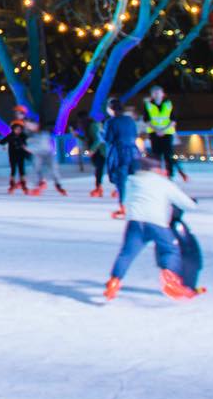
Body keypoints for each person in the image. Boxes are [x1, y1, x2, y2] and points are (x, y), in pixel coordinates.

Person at [103, 159, 198, 302]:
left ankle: (114, 282)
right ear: (155, 170)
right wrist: (192, 202)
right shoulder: (163, 183)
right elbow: (187, 204)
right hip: (156, 222)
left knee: (126, 254)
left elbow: (126, 200)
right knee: (170, 250)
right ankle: (170, 279)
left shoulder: (132, 181)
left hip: (135, 222)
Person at [144, 86, 185, 182]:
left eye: (158, 92)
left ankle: (170, 174)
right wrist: (157, 130)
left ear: (163, 94)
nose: (157, 94)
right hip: (154, 134)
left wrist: (163, 129)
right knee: (156, 155)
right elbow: (146, 120)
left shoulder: (168, 105)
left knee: (168, 155)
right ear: (152, 95)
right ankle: (157, 173)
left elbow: (173, 120)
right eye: (154, 92)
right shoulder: (148, 105)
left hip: (167, 133)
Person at [104, 101, 142, 201]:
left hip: (119, 152)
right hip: (133, 151)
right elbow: (135, 134)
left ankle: (122, 202)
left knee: (120, 177)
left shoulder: (111, 122)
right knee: (132, 176)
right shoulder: (130, 120)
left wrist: (101, 134)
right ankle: (134, 198)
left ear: (111, 109)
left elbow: (108, 139)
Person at [25, 118, 67, 196]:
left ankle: (58, 185)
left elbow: (45, 144)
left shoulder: (43, 133)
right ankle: (39, 184)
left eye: (29, 125)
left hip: (47, 153)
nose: (28, 127)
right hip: (38, 154)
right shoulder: (28, 135)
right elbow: (29, 145)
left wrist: (29, 148)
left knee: (53, 169)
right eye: (27, 125)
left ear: (35, 125)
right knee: (36, 169)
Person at [0, 115, 30, 193]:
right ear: (13, 129)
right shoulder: (10, 136)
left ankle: (24, 185)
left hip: (21, 155)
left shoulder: (23, 136)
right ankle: (12, 185)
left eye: (20, 129)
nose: (18, 130)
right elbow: (3, 142)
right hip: (12, 155)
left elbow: (28, 143)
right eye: (16, 129)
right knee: (13, 170)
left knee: (21, 170)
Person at [85, 116, 109, 198]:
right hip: (101, 150)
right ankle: (99, 188)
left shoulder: (93, 126)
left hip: (101, 151)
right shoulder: (95, 125)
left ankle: (99, 188)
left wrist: (92, 150)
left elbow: (98, 139)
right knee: (100, 170)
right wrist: (76, 135)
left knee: (100, 170)